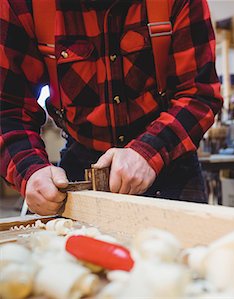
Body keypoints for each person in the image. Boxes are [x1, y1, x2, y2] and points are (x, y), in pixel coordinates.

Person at [0, 0, 222, 215]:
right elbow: (7, 110)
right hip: (80, 168)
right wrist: (30, 170)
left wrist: (147, 153)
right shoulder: (24, 5)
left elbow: (198, 94)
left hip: (168, 159)